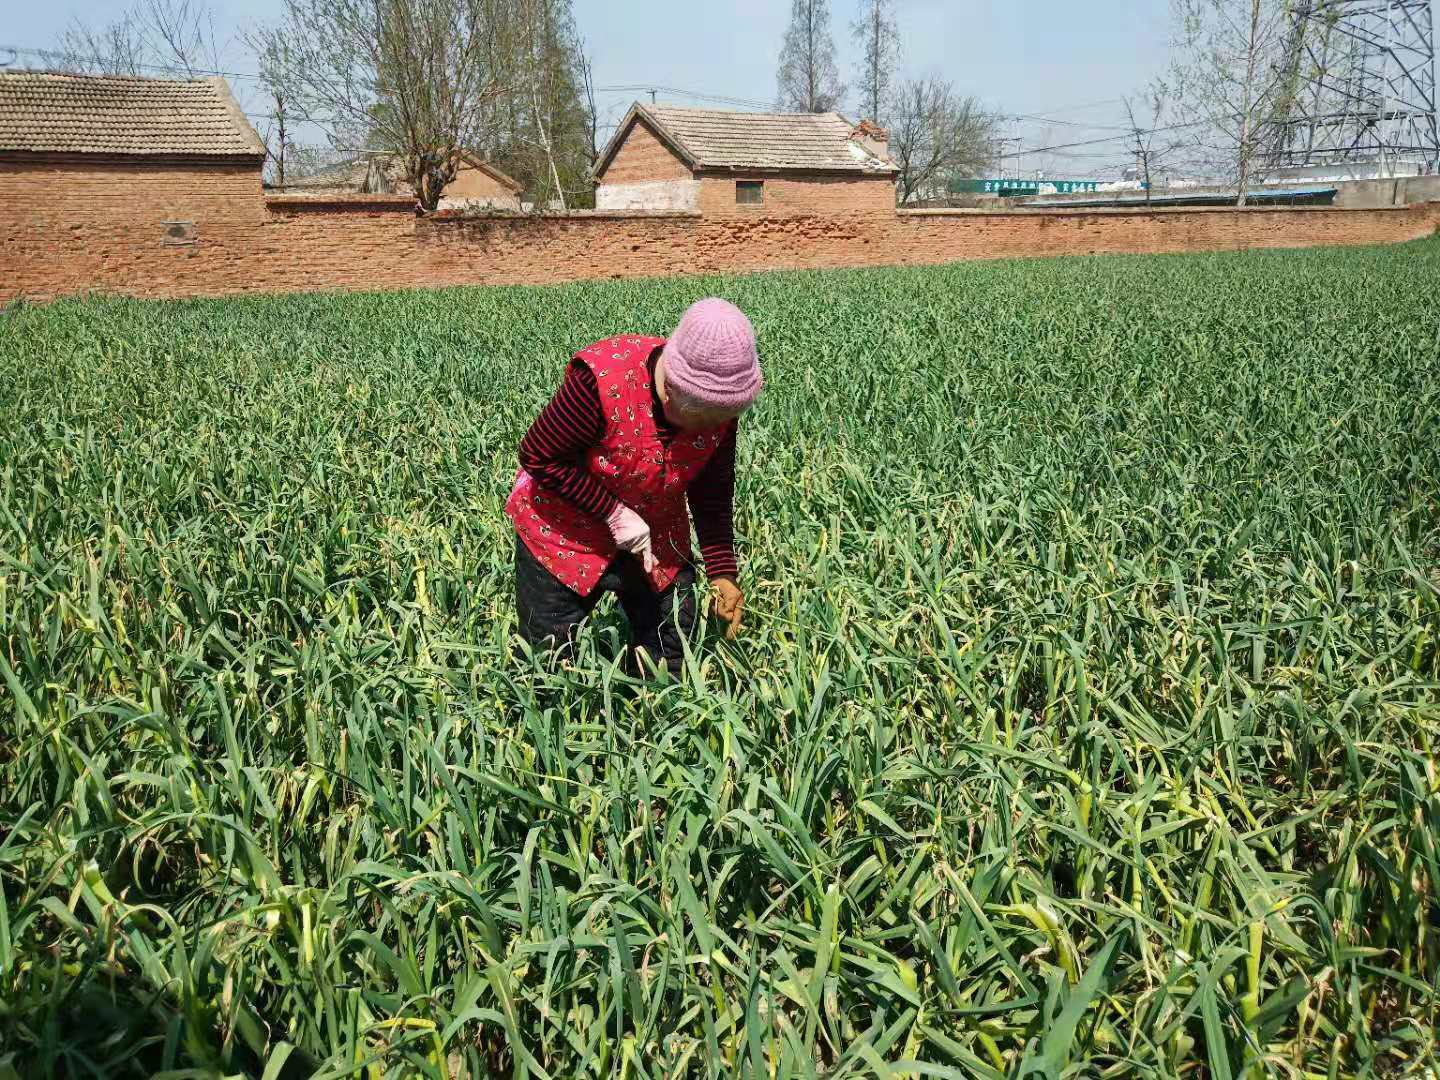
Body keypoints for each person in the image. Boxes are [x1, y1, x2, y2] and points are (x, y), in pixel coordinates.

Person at [507, 297, 763, 673]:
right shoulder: (600, 382)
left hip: (653, 532)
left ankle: (648, 719)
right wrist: (612, 513)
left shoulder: (716, 411)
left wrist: (723, 572)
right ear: (671, 389)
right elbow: (538, 455)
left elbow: (713, 492)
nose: (710, 432)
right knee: (547, 665)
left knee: (673, 646)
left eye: (721, 420)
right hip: (561, 532)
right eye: (702, 420)